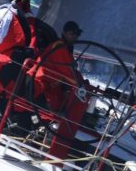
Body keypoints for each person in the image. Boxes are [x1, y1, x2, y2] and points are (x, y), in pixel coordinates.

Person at [26, 20, 90, 160]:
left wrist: (83, 83)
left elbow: (69, 71)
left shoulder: (65, 48)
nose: (76, 37)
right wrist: (80, 85)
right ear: (66, 33)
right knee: (57, 115)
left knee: (61, 107)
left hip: (48, 86)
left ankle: (41, 144)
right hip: (39, 85)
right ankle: (39, 146)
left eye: (78, 35)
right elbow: (67, 71)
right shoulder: (60, 47)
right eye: (74, 34)